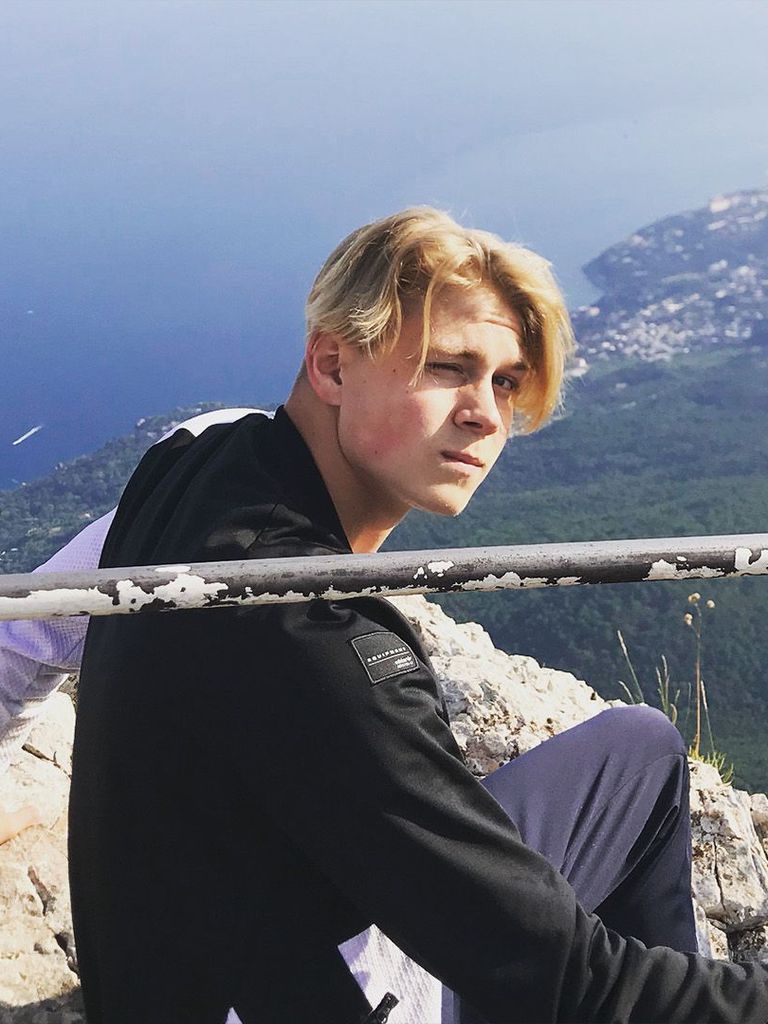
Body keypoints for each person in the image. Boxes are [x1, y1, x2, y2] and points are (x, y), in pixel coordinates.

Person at [12, 207, 768, 1022]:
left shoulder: (202, 448)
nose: (486, 414)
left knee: (639, 753)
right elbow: (566, 978)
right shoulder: (317, 643)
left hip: (181, 971)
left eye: (504, 380)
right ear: (332, 365)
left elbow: (27, 628)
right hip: (314, 999)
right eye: (448, 367)